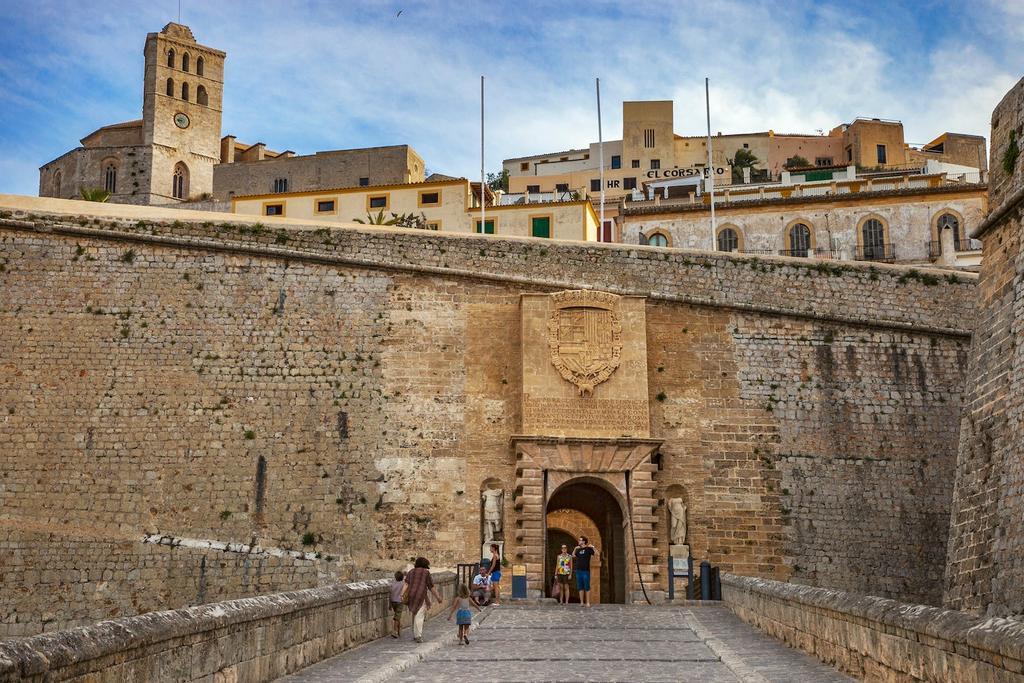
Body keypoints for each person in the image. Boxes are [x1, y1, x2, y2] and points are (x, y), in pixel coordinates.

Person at [404, 557, 442, 643]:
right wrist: (438, 597)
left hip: (411, 595)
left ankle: (415, 634)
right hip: (420, 595)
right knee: (419, 615)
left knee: (414, 613)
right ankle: (418, 635)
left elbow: (406, 584)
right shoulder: (426, 573)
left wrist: (402, 594)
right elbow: (431, 587)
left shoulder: (411, 572)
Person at [572, 536, 598, 606]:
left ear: (584, 541)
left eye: (580, 540)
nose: (579, 541)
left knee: (587, 587)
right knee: (580, 587)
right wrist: (575, 549)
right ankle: (581, 602)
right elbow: (573, 556)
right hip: (578, 570)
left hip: (585, 571)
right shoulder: (578, 549)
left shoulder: (588, 549)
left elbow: (597, 554)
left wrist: (593, 547)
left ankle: (588, 602)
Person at [389, 570, 405, 638]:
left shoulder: (393, 584)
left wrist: (390, 604)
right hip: (400, 602)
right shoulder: (403, 584)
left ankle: (399, 630)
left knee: (397, 616)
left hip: (393, 601)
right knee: (397, 617)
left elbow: (391, 594)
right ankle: (395, 631)